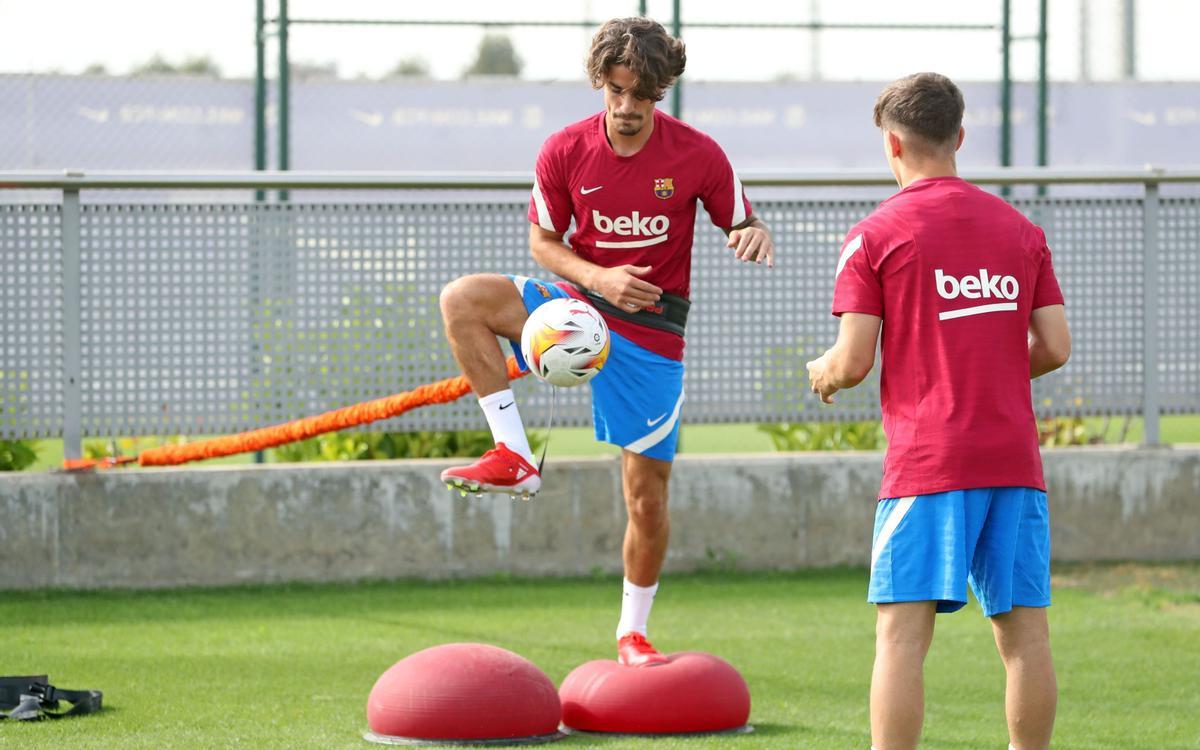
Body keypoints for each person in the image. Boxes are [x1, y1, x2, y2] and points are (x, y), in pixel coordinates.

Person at [438, 16, 774, 667]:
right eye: (614, 91)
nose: (625, 108)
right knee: (463, 301)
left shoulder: (698, 154)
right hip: (576, 304)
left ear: (661, 92)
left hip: (652, 334)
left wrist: (752, 234)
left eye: (640, 96)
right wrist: (600, 279)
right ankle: (513, 455)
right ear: (601, 83)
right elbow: (543, 242)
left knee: (646, 497)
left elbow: (743, 220)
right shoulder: (564, 150)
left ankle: (632, 633)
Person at [805, 73, 1070, 750]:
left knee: (901, 637)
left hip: (928, 464)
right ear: (958, 137)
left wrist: (824, 374)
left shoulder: (874, 236)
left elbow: (854, 360)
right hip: (1013, 461)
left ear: (892, 144)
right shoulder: (1020, 229)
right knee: (1025, 635)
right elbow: (1055, 347)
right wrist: (993, 366)